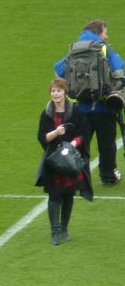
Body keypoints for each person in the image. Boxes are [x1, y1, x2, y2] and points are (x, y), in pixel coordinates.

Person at [54, 20, 123, 186]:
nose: (106, 36)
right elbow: (121, 70)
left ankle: (77, 177)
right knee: (106, 143)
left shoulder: (74, 50)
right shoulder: (104, 49)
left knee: (80, 142)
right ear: (99, 32)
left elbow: (58, 69)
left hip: (80, 107)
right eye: (105, 33)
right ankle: (108, 176)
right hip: (104, 106)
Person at [36, 78, 94, 245]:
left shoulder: (74, 112)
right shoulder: (47, 113)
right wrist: (55, 133)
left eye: (59, 91)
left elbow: (84, 132)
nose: (56, 94)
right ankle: (54, 231)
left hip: (70, 160)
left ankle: (64, 228)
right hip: (54, 160)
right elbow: (42, 137)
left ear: (65, 92)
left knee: (68, 195)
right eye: (53, 91)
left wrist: (73, 143)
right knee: (54, 195)